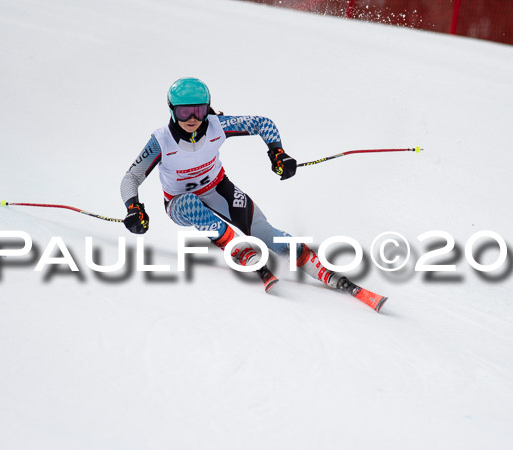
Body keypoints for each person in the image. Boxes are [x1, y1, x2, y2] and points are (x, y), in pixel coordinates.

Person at [120, 77, 353, 293]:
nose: (192, 119)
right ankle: (239, 250)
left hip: (217, 189)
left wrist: (278, 153)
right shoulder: (161, 141)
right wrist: (133, 208)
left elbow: (263, 123)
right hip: (179, 204)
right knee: (191, 203)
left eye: (198, 111)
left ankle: (315, 265)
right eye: (184, 112)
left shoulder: (216, 125)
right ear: (172, 111)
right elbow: (131, 178)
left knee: (264, 232)